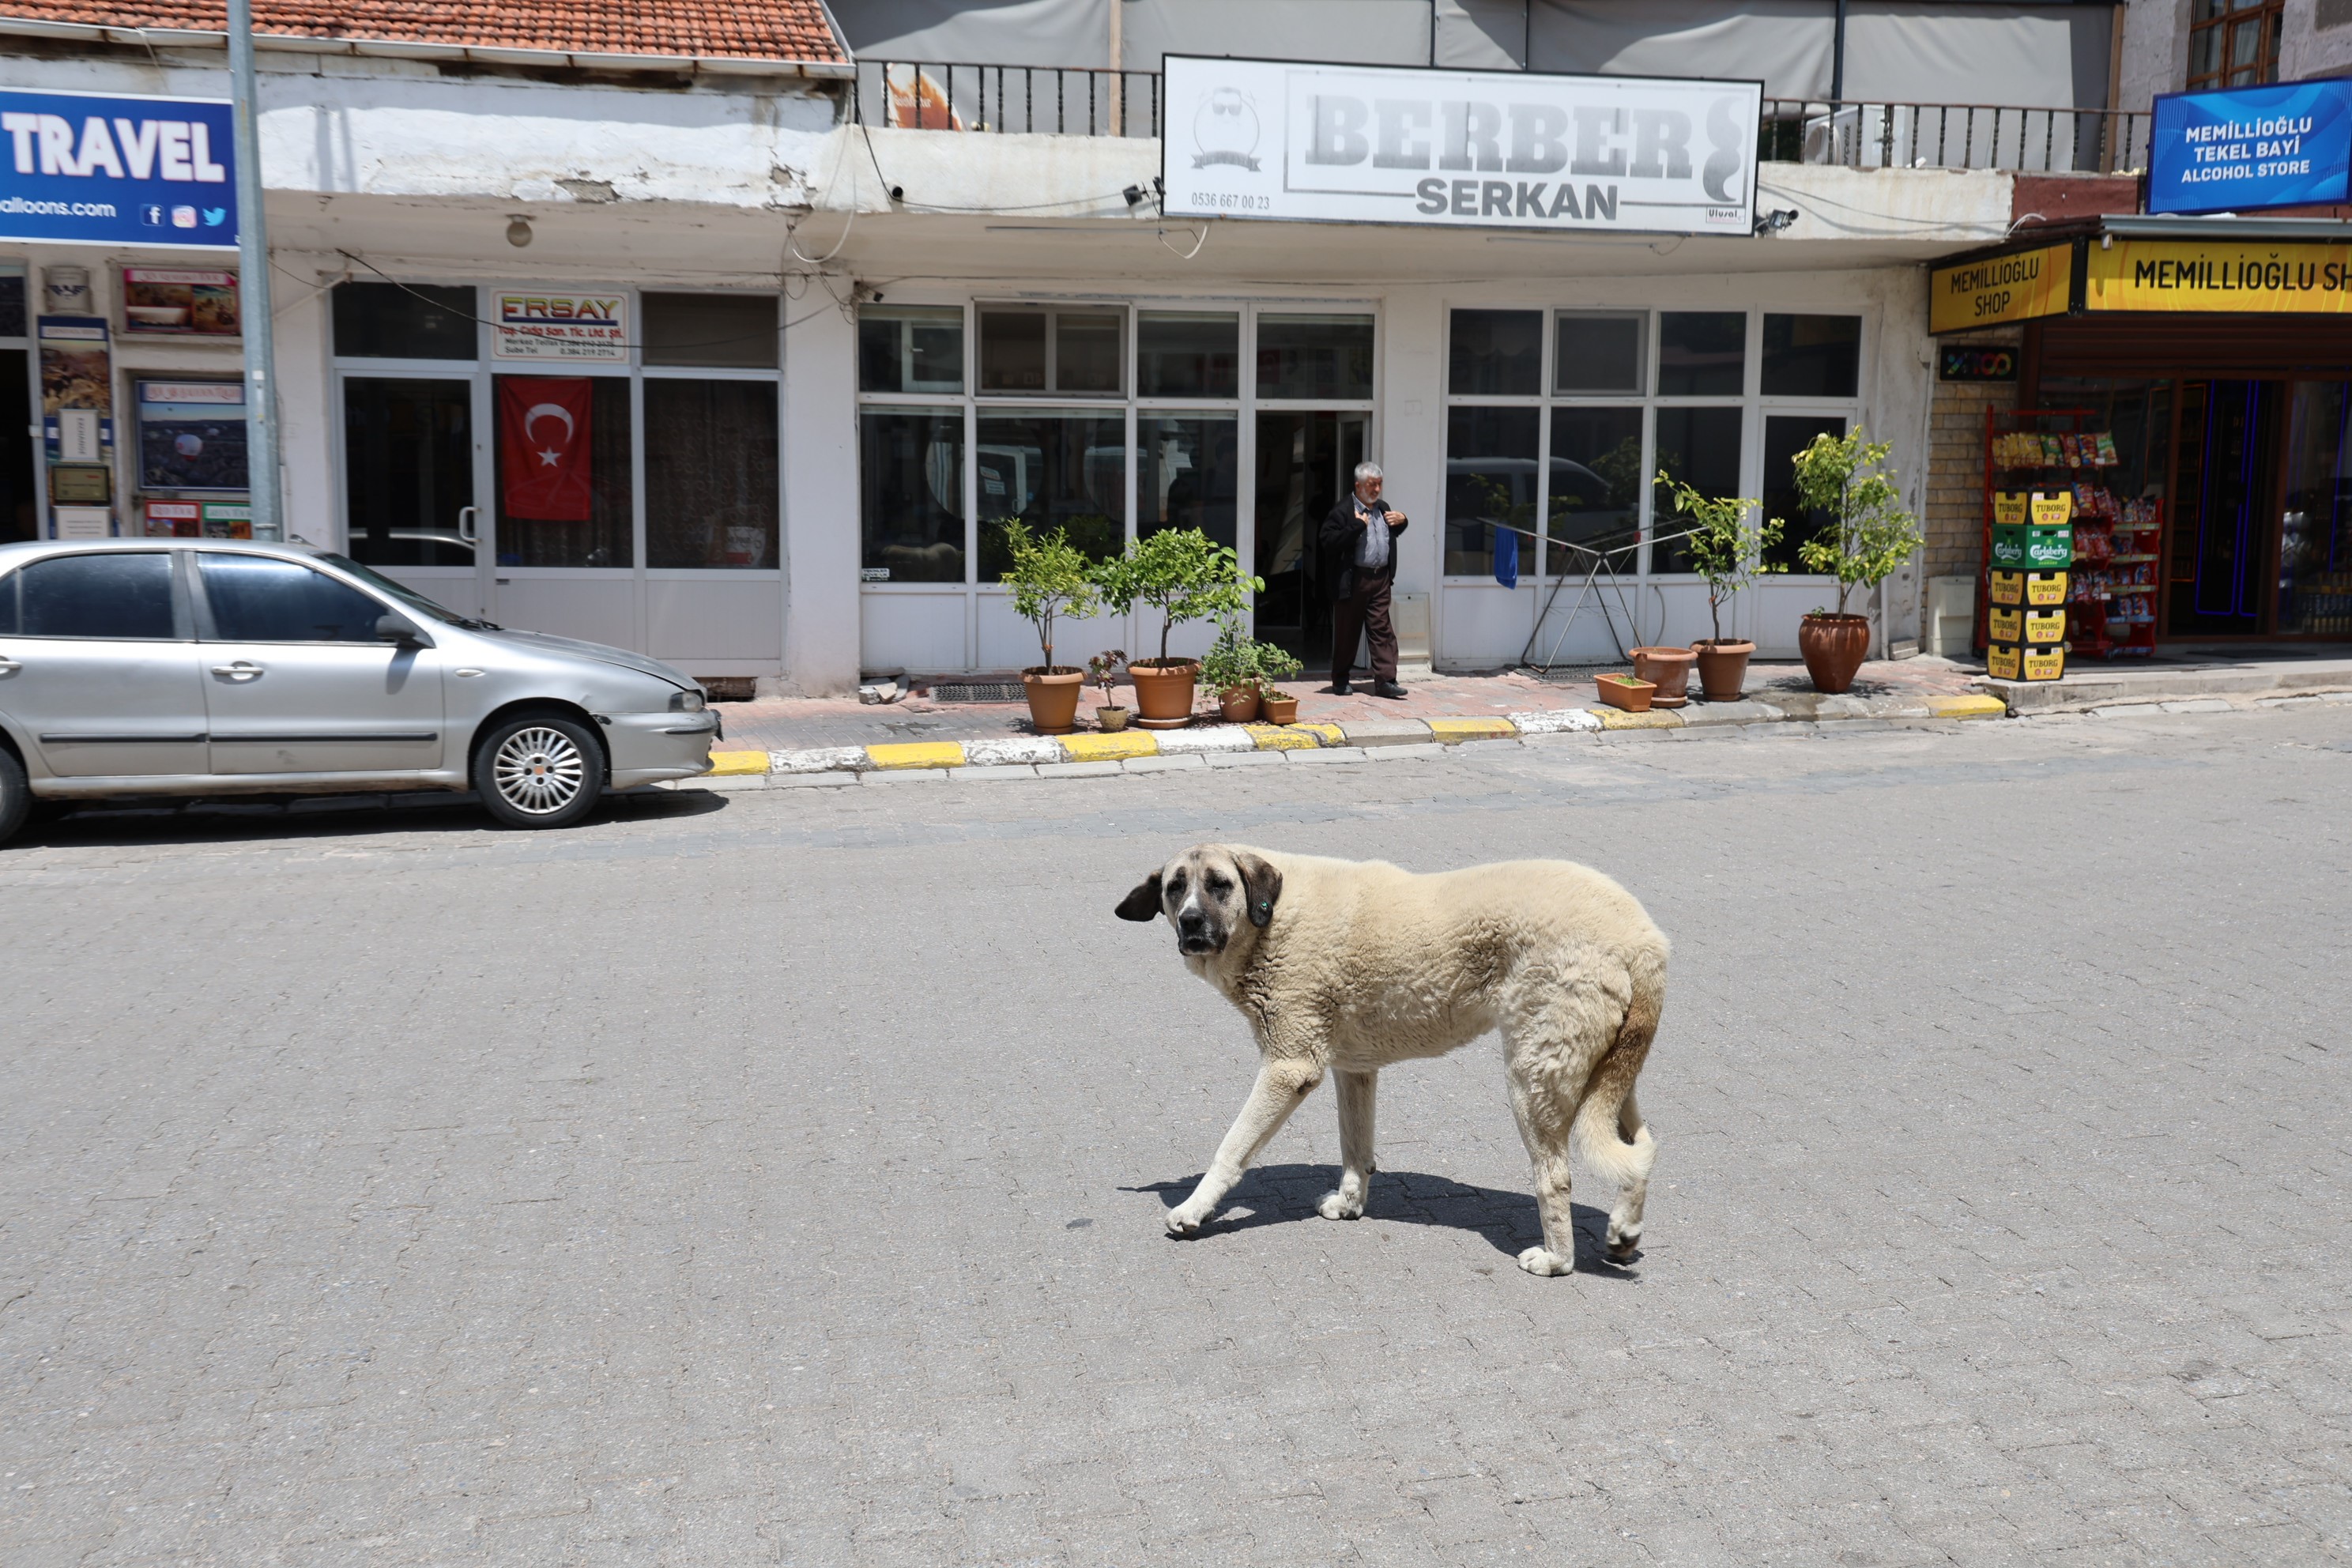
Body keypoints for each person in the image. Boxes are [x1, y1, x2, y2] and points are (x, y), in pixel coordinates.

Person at [1318, 461, 1408, 698]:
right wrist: (1357, 526)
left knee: (1382, 631)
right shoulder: (1343, 511)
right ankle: (1340, 680)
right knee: (1348, 632)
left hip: (1380, 579)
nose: (1376, 490)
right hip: (1353, 581)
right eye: (1371, 485)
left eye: (1379, 484)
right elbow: (1328, 541)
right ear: (1358, 486)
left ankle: (1386, 681)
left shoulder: (1383, 507)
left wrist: (1403, 521)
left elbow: (1391, 532)